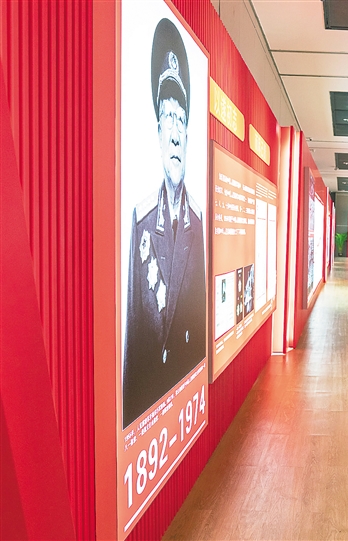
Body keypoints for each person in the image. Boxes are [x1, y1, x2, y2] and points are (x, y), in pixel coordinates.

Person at [123, 18, 206, 428]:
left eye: (181, 120)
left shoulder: (198, 225)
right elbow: (136, 339)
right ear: (158, 134)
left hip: (185, 397)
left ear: (188, 136)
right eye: (167, 118)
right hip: (152, 408)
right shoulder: (141, 224)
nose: (175, 133)